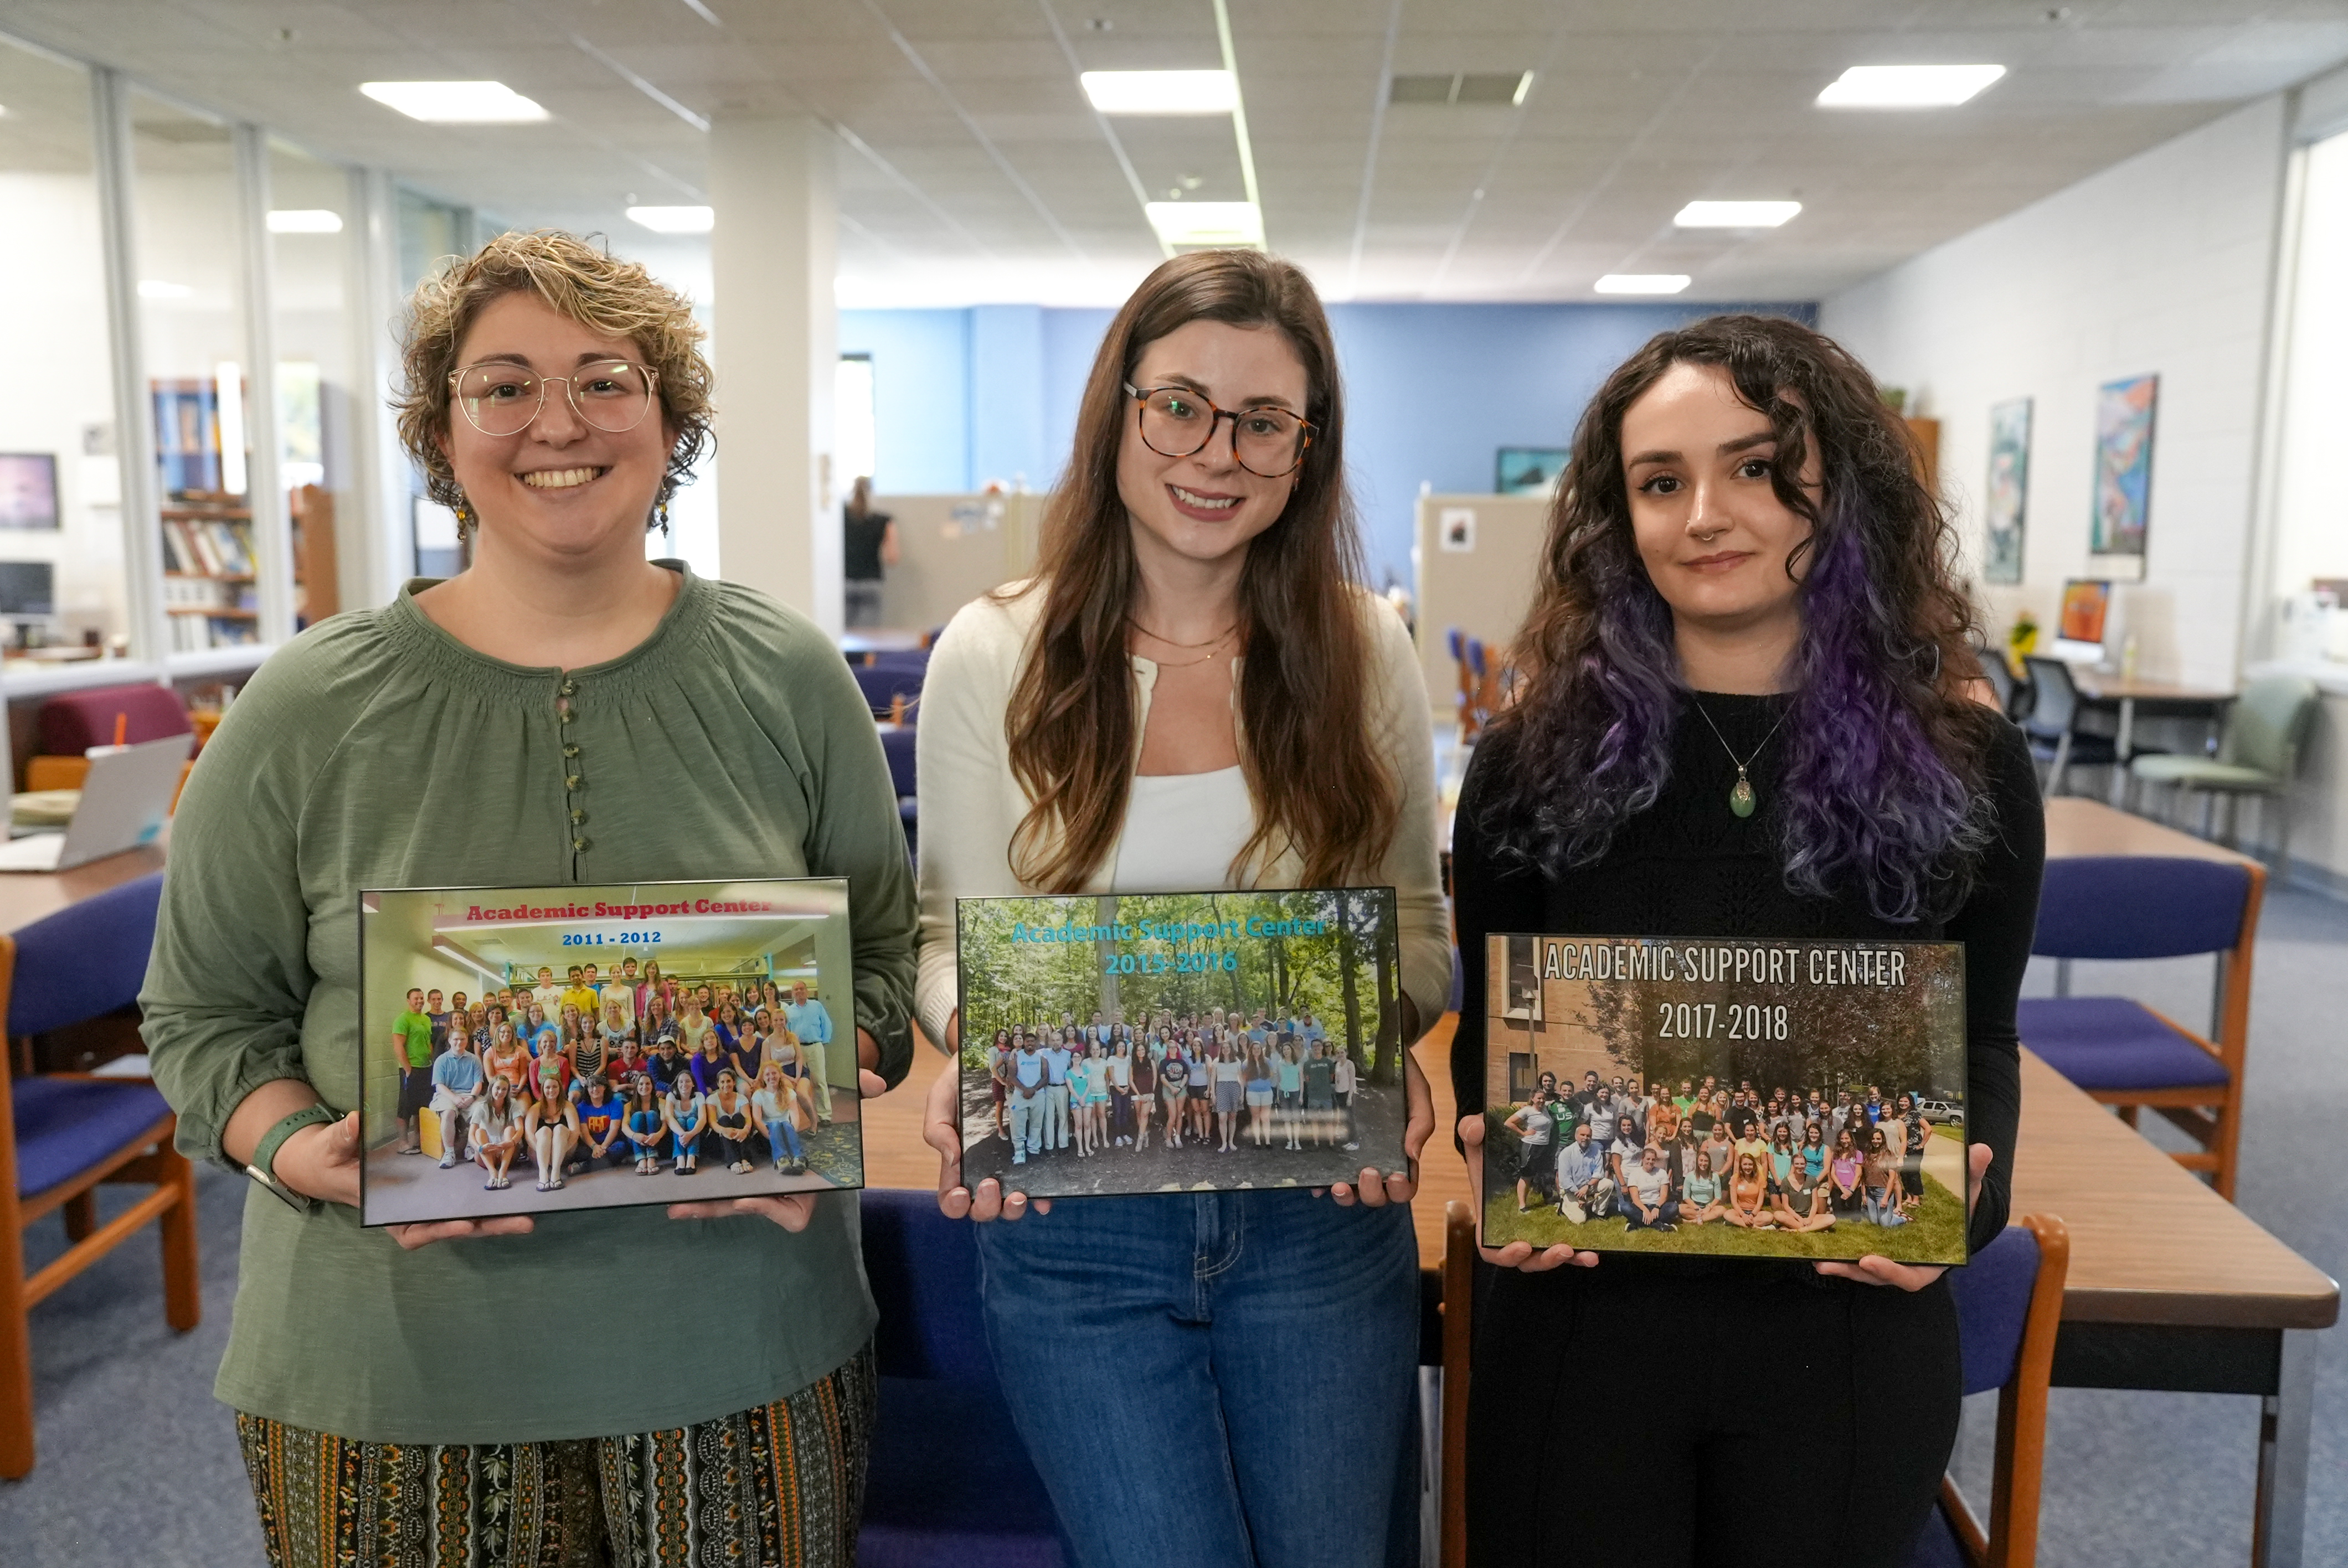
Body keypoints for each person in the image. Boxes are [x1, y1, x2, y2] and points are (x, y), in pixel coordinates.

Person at [138, 231, 918, 1567]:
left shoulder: (786, 674)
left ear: (668, 417)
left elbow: (886, 970)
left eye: (605, 378)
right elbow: (201, 1017)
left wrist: (805, 1098)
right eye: (503, 384)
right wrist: (292, 1146)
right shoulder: (308, 705)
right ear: (443, 431)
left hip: (738, 1348)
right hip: (390, 1369)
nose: (556, 421)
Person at [1450, 313, 2035, 1566]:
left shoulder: (1964, 759)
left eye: (1757, 467)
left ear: (1845, 489)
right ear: (1619, 516)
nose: (1704, 513)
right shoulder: (1525, 758)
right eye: (1660, 482)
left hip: (1839, 1338)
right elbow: (1489, 1036)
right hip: (1580, 1327)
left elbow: (1983, 1037)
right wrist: (1482, 1147)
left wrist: (1965, 1199)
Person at [913, 250, 1445, 1567]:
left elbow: (1417, 938)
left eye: (1264, 419)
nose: (1219, 450)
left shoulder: (1358, 644)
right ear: (1119, 412)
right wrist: (968, 1041)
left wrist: (1387, 1037)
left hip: (1317, 1205)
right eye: (1182, 406)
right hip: (1074, 1222)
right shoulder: (993, 650)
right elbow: (945, 941)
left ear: (1305, 447)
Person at [841, 475, 899, 629]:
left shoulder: (840, 516)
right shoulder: (884, 520)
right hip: (871, 583)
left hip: (845, 581)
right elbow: (892, 558)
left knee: (842, 635)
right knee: (867, 637)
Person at [427, 1025, 486, 1169]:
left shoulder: (474, 1060)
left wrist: (472, 1097)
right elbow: (439, 1085)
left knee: (482, 1109)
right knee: (448, 1113)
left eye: (462, 1040)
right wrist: (454, 1099)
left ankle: (470, 1147)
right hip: (446, 1094)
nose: (459, 1043)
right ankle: (449, 1153)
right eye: (456, 1040)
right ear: (450, 1040)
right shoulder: (441, 1060)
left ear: (467, 1041)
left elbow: (478, 1082)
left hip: (469, 1095)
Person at [785, 979, 838, 1125]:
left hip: (815, 1047)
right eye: (796, 990)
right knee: (798, 1083)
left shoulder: (817, 1006)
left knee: (820, 1080)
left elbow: (826, 1023)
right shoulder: (788, 1011)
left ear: (807, 991)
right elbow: (787, 1032)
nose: (799, 992)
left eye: (802, 989)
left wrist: (824, 1041)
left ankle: (825, 1115)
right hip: (798, 1049)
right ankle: (800, 1117)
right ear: (792, 993)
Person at [389, 988, 435, 1154]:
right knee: (406, 1106)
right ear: (409, 1001)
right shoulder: (402, 1020)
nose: (420, 1001)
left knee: (422, 1107)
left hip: (426, 1068)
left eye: (422, 998)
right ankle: (403, 1143)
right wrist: (408, 1069)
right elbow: (398, 1046)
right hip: (410, 1070)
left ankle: (418, 1141)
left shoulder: (426, 1019)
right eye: (416, 998)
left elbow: (428, 1043)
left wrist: (432, 1062)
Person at [1503, 1090, 1557, 1213]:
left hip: (1544, 1146)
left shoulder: (1545, 1108)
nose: (1542, 1101)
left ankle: (1548, 1199)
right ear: (1532, 1099)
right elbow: (1508, 1123)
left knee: (1545, 1174)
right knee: (1527, 1176)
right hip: (1531, 1146)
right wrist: (1523, 1133)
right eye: (1539, 1098)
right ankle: (1522, 1206)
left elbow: (1553, 1101)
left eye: (1543, 1099)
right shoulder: (1527, 1110)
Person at [467, 1076, 524, 1191]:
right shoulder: (481, 1106)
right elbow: (471, 1134)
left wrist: (510, 1143)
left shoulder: (513, 1103)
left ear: (508, 1091)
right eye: (497, 1088)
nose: (500, 1092)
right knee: (479, 1132)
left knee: (510, 1130)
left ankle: (503, 1173)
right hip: (487, 1152)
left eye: (504, 1089)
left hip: (508, 1151)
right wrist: (480, 1148)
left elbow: (520, 1129)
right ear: (491, 1088)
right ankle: (493, 1173)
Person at [1553, 1121, 1615, 1225]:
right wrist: (1580, 1196)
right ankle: (1564, 1206)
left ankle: (1598, 1213)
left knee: (1608, 1184)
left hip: (1588, 1185)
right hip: (1571, 1189)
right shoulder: (1566, 1153)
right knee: (1580, 1221)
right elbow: (1565, 1181)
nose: (1586, 1138)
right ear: (1576, 1136)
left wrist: (1587, 1187)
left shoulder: (1596, 1150)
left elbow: (1599, 1173)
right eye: (1583, 1135)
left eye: (1589, 1136)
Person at [524, 1086, 579, 1192]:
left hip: (564, 1151)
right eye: (548, 1088)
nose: (551, 1090)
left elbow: (576, 1132)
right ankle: (543, 1174)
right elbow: (529, 1136)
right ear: (543, 1090)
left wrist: (559, 1152)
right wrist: (544, 1153)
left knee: (559, 1129)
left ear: (560, 1089)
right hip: (538, 1152)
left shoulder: (567, 1106)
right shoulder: (536, 1108)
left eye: (555, 1087)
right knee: (545, 1130)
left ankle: (556, 1173)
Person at [1619, 1146, 1678, 1232]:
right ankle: (1659, 1225)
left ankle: (1637, 1223)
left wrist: (1657, 1207)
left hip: (1657, 1206)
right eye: (1648, 1159)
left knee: (1674, 1207)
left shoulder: (1662, 1173)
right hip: (1641, 1206)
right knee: (1625, 1207)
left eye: (1653, 1160)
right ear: (1643, 1159)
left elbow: (1664, 1195)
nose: (1650, 1162)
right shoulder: (1634, 1174)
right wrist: (1645, 1210)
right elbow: (1635, 1199)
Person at [574, 1075, 628, 1170]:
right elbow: (584, 1133)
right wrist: (595, 1147)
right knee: (580, 1152)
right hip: (590, 1144)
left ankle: (584, 1167)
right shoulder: (581, 1107)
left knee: (621, 1147)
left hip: (609, 1143)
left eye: (598, 1085)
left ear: (605, 1087)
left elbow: (614, 1129)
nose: (595, 1089)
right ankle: (605, 1162)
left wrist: (603, 1148)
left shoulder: (616, 1104)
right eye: (591, 1086)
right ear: (587, 1090)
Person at [709, 1069, 758, 1174]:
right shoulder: (712, 1099)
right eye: (722, 1082)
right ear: (718, 1084)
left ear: (734, 1082)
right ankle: (734, 1161)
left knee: (739, 1118)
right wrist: (724, 1131)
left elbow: (748, 1119)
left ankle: (745, 1159)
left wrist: (745, 1130)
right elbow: (712, 1123)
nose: (726, 1085)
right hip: (720, 1139)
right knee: (724, 1120)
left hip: (739, 1138)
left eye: (729, 1081)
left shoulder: (742, 1098)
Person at [621, 1073, 667, 1175]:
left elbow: (665, 1123)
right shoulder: (629, 1106)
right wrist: (635, 1136)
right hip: (636, 1139)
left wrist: (658, 1135)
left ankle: (651, 1157)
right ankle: (641, 1158)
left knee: (651, 1114)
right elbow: (624, 1127)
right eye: (641, 1084)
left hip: (656, 1138)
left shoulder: (662, 1102)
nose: (644, 1087)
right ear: (637, 1087)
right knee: (638, 1115)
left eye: (648, 1084)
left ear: (652, 1086)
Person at [664, 1074, 708, 1175]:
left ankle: (691, 1158)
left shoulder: (699, 1096)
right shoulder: (671, 1096)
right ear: (677, 1084)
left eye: (688, 1081)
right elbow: (669, 1118)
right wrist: (683, 1135)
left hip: (695, 1131)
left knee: (692, 1120)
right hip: (677, 1131)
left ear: (693, 1084)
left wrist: (690, 1135)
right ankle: (680, 1159)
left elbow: (702, 1119)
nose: (684, 1084)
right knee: (680, 1121)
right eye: (681, 1082)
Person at [1680, 1149, 1724, 1224]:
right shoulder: (1690, 1176)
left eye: (1706, 1161)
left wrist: (1708, 1208)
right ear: (1697, 1162)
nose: (1703, 1164)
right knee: (1680, 1208)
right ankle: (1707, 1217)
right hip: (1694, 1206)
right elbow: (1686, 1197)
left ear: (1709, 1163)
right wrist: (1696, 1207)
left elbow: (1718, 1197)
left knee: (1722, 1210)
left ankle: (1692, 1221)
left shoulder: (1715, 1176)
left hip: (1709, 1206)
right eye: (1701, 1161)